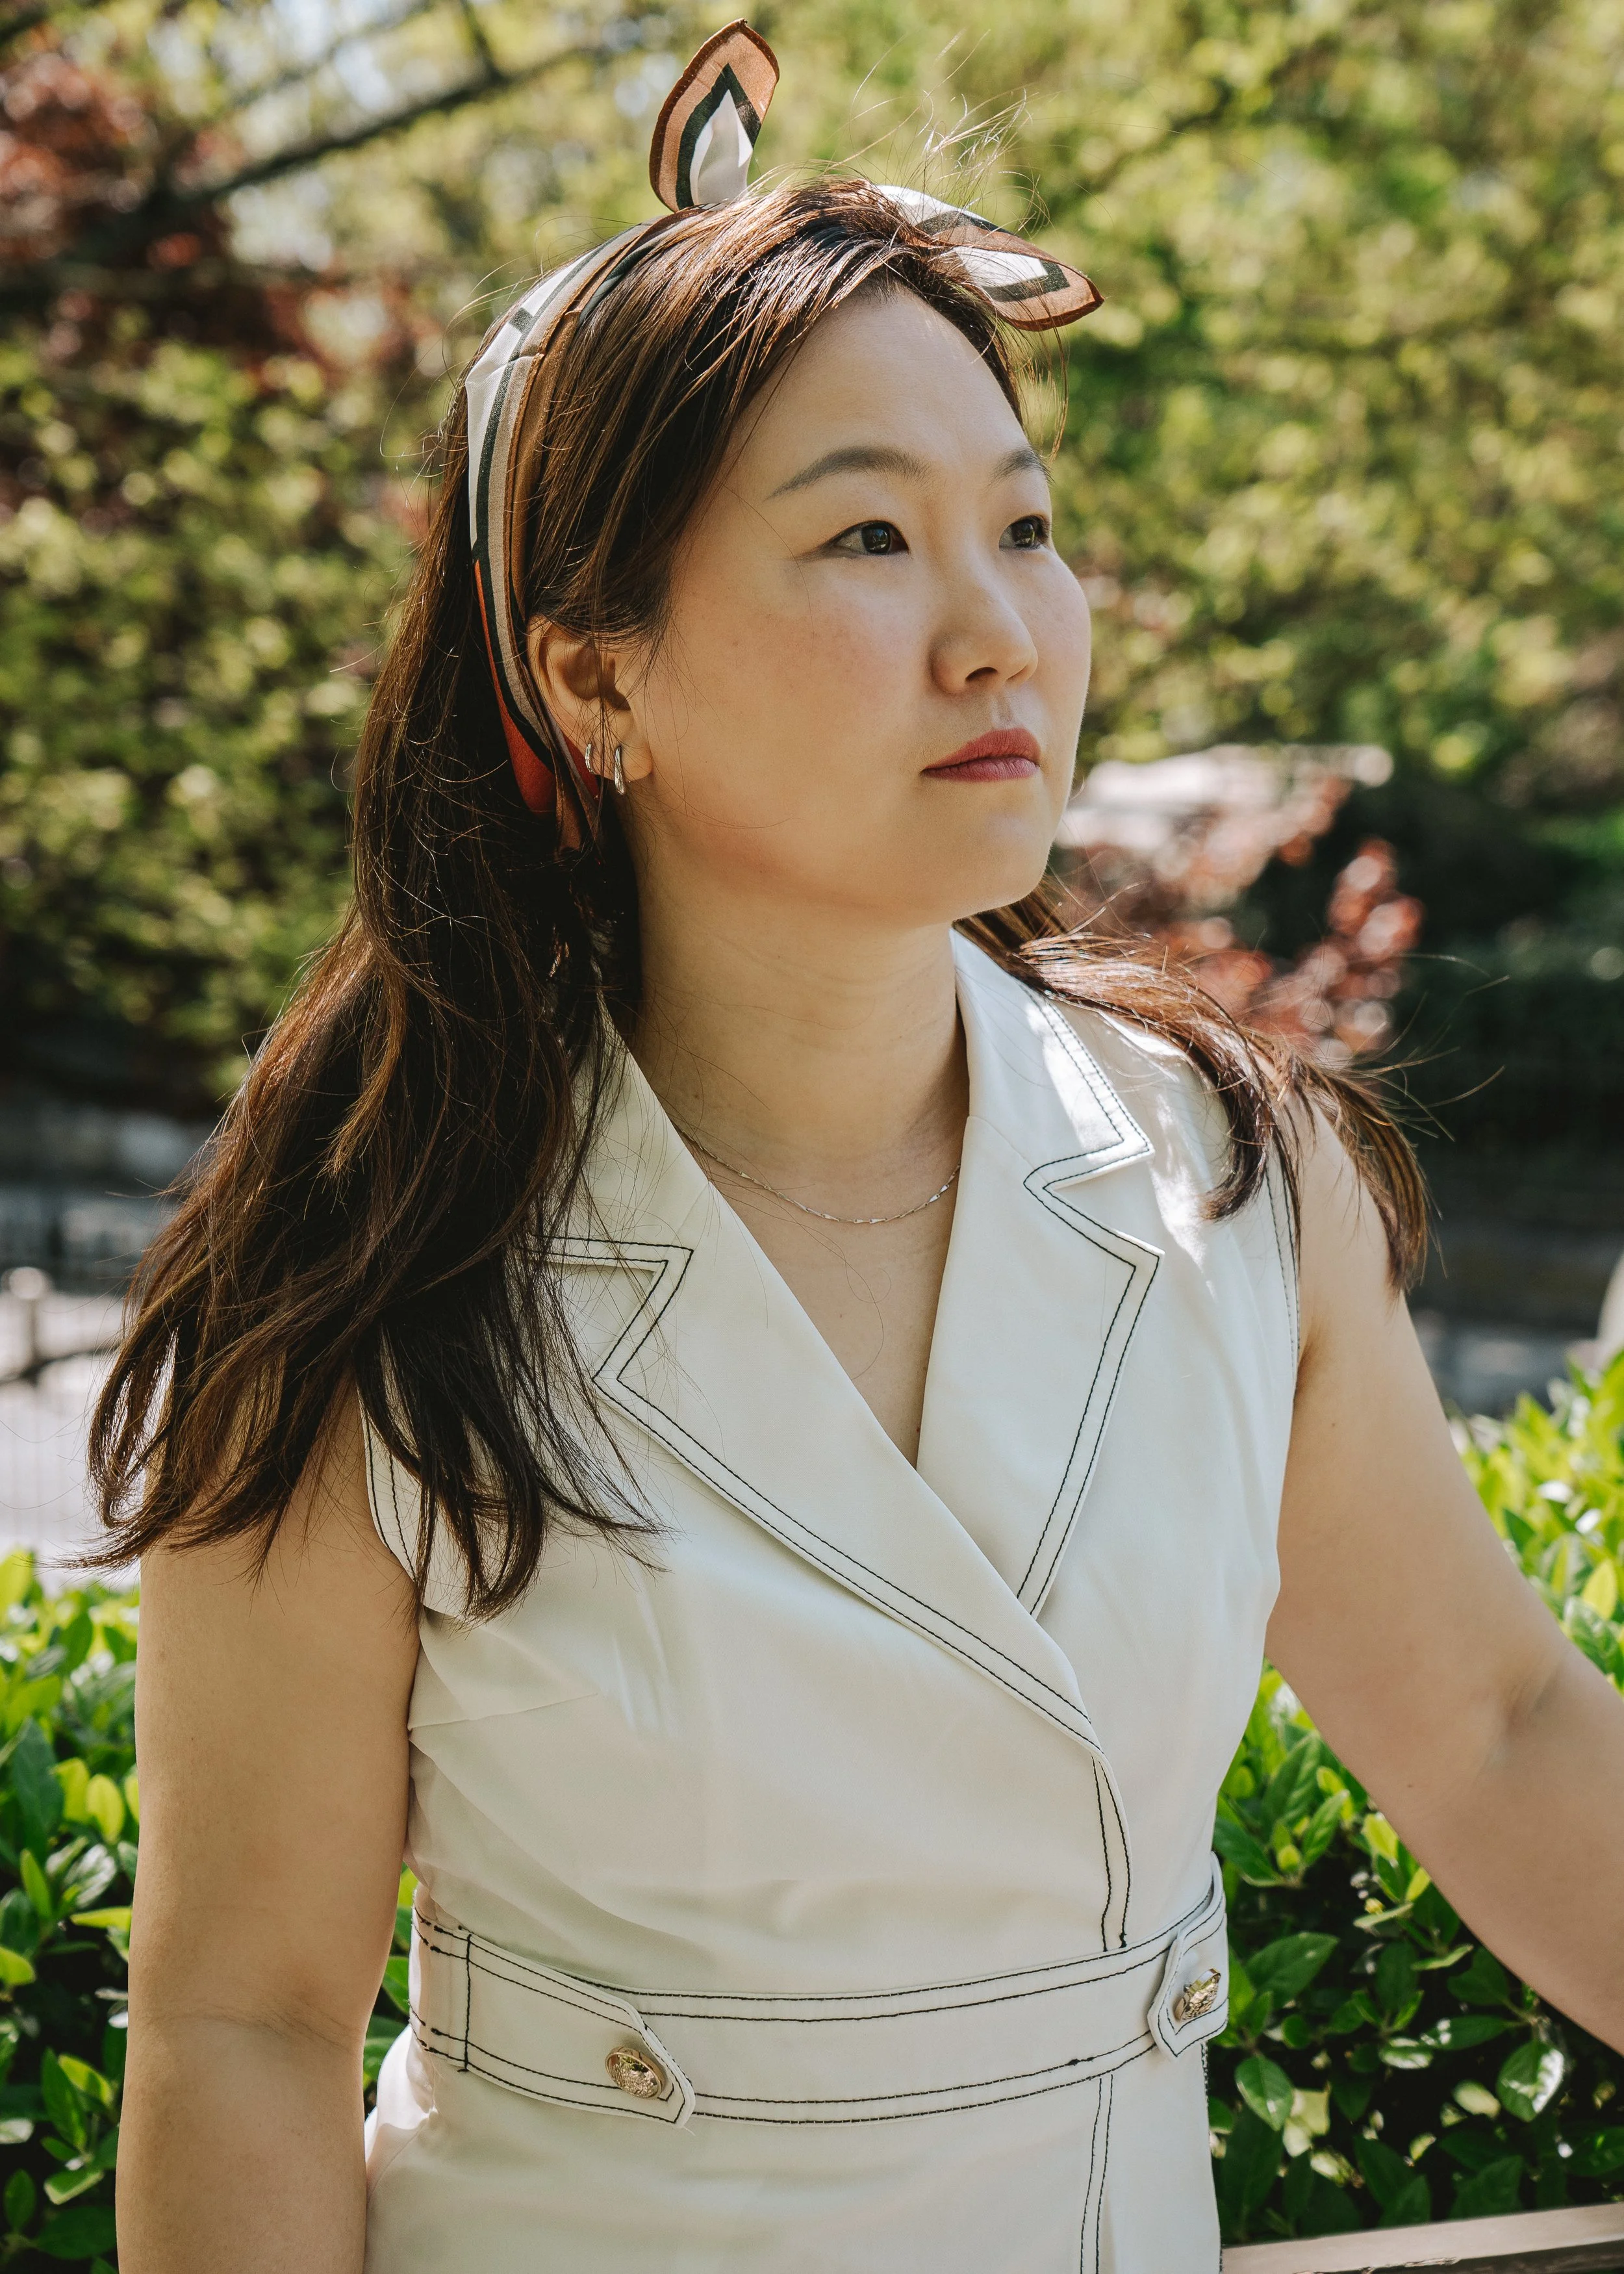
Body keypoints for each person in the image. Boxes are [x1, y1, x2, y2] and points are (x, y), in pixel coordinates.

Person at [100, 25, 1624, 2273]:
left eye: (1022, 520)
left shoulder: (1220, 1171)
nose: (998, 623)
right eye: (870, 538)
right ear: (592, 678)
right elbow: (245, 2015)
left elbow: (1494, 1729)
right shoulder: (378, 1246)